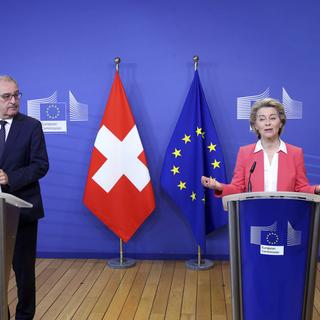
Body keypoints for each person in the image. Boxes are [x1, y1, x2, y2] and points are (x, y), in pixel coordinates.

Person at [0, 75, 49, 320]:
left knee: (24, 274)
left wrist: (10, 178)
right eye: (6, 96)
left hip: (22, 212)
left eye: (17, 95)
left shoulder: (31, 126)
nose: (13, 101)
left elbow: (41, 166)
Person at [201, 98, 320, 196]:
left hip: (287, 216)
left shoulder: (295, 153)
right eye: (262, 119)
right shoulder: (245, 153)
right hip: (255, 216)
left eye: (273, 118)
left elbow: (301, 188)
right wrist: (219, 186)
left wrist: (316, 189)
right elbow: (238, 188)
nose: (267, 123)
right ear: (255, 125)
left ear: (281, 123)